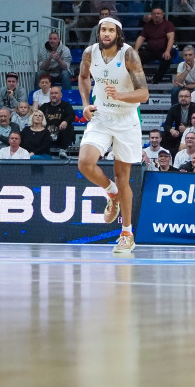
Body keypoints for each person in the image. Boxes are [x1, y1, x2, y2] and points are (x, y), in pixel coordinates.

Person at [77, 16, 150, 254]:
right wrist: (86, 103)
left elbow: (143, 95)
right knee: (85, 163)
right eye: (103, 30)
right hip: (101, 115)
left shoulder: (129, 55)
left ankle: (127, 234)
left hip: (126, 119)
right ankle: (111, 192)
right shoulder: (90, 53)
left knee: (123, 176)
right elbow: (83, 77)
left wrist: (120, 96)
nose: (106, 34)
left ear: (118, 34)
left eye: (110, 30)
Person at [135, 7, 176, 84]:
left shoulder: (168, 24)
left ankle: (156, 79)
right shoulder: (148, 25)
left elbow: (171, 39)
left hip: (163, 50)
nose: (156, 15)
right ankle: (139, 80)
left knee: (167, 60)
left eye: (158, 13)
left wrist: (167, 51)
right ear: (151, 15)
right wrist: (136, 50)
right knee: (136, 58)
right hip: (150, 50)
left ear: (162, 15)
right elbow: (141, 38)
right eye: (154, 14)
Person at [160, 87, 195, 153]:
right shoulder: (174, 108)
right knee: (163, 135)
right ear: (178, 98)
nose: (183, 98)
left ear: (190, 98)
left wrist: (187, 129)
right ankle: (166, 155)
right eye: (181, 96)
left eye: (186, 96)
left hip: (194, 133)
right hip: (178, 133)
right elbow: (166, 125)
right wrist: (171, 130)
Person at [39, 86, 76, 151]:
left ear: (61, 95)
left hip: (61, 133)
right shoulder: (44, 106)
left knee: (69, 126)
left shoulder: (66, 105)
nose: (53, 95)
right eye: (52, 93)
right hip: (47, 133)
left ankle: (63, 150)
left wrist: (65, 121)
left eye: (56, 93)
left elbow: (71, 116)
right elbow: (38, 116)